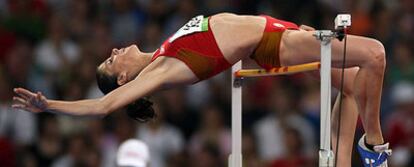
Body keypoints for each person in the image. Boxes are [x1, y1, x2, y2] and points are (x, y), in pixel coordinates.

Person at [12, 13, 391, 166]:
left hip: (275, 28)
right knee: (375, 54)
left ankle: (343, 161)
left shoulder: (162, 48)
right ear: (126, 80)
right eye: (111, 63)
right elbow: (103, 107)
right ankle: (374, 146)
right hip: (271, 44)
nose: (113, 52)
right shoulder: (159, 71)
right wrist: (49, 106)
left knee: (356, 82)